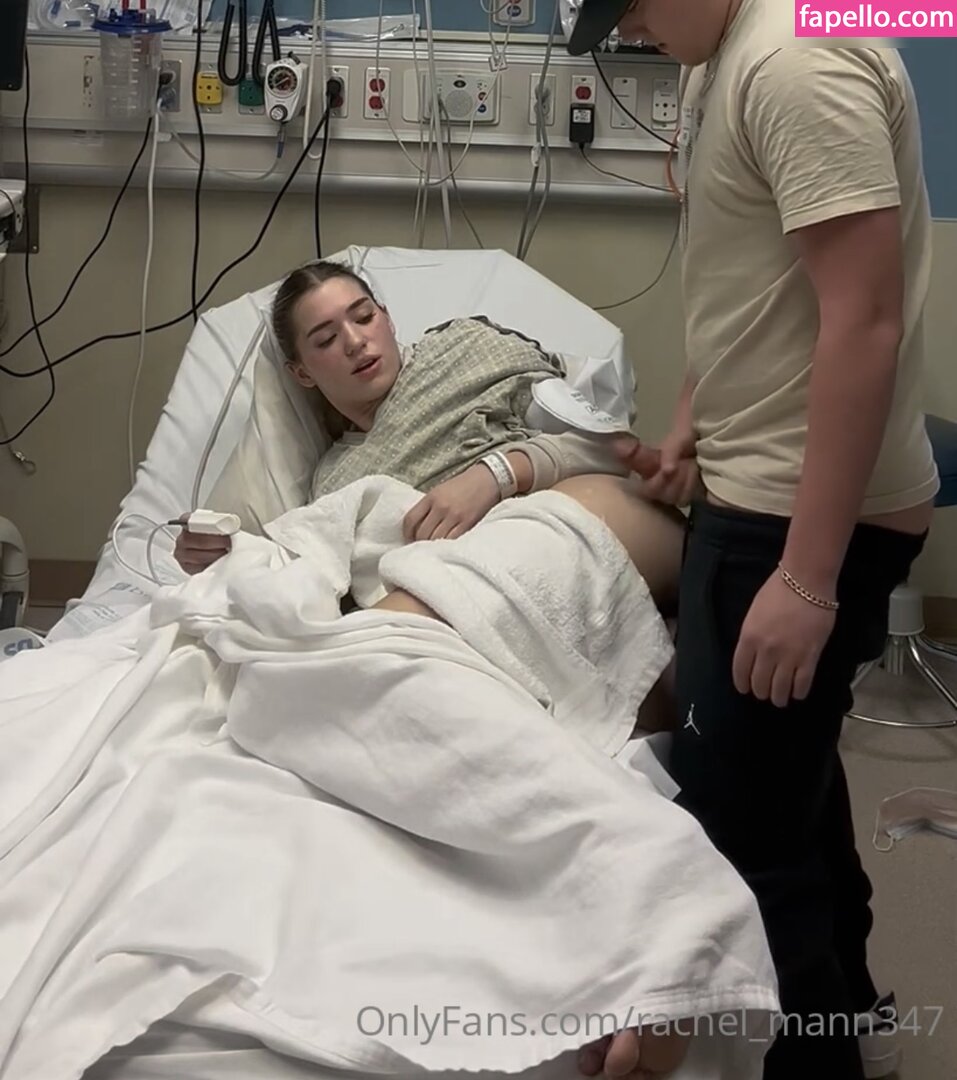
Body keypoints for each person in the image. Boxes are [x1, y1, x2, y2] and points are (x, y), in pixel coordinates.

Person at [568, 2, 939, 1079]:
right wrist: (693, 424)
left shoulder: (793, 62)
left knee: (743, 848)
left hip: (797, 523)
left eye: (634, 7)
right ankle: (856, 1020)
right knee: (793, 794)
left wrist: (809, 578)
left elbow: (863, 321)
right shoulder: (722, 59)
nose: (632, 33)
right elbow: (748, 283)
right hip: (759, 490)